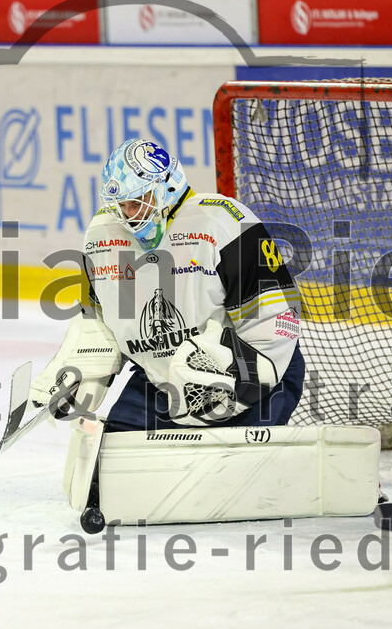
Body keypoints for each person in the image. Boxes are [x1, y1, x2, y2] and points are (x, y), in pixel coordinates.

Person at [28, 138, 305, 433]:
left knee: (226, 475)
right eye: (121, 205)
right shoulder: (103, 237)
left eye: (138, 201)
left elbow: (277, 318)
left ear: (167, 187)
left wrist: (235, 384)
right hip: (163, 381)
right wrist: (83, 363)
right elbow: (98, 318)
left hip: (254, 375)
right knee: (112, 472)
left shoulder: (221, 221)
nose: (129, 215)